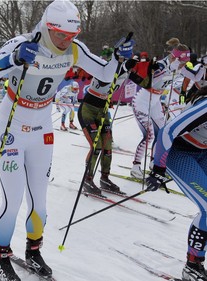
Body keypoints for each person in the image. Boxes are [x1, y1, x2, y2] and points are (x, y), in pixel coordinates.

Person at [0, 0, 136, 279]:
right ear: (47, 27)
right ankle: (1, 256)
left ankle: (33, 251)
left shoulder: (74, 49)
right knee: (12, 201)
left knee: (40, 201)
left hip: (42, 129)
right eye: (60, 34)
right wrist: (12, 60)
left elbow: (106, 74)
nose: (65, 40)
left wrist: (118, 58)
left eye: (72, 35)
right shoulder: (22, 43)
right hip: (11, 126)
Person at [145, 85, 207, 281]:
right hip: (177, 153)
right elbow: (166, 132)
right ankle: (192, 264)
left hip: (202, 151)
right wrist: (158, 169)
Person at [129, 38, 204, 179]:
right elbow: (152, 80)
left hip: (156, 101)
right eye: (182, 61)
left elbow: (195, 77)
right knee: (149, 135)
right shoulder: (162, 64)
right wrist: (171, 68)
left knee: (162, 132)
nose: (183, 64)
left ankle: (153, 163)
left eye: (185, 62)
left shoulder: (180, 66)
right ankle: (136, 166)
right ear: (175, 57)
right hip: (143, 100)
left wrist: (201, 67)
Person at [77, 40, 135, 195]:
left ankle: (104, 178)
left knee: (107, 148)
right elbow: (109, 73)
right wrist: (120, 60)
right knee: (96, 147)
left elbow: (145, 81)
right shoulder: (107, 69)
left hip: (103, 111)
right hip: (88, 110)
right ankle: (87, 180)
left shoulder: (125, 71)